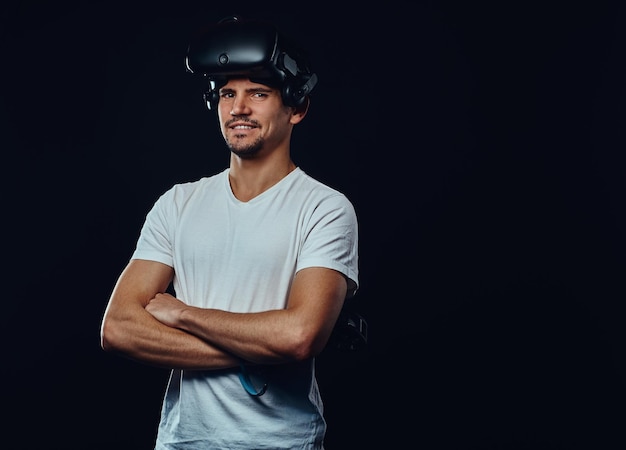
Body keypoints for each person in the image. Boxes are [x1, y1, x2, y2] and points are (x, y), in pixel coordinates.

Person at [100, 15, 359, 450]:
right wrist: (260, 348)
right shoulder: (178, 203)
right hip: (182, 442)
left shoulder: (324, 209)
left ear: (296, 107)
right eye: (227, 94)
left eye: (258, 93)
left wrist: (183, 314)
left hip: (279, 442)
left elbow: (299, 336)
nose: (238, 108)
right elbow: (119, 328)